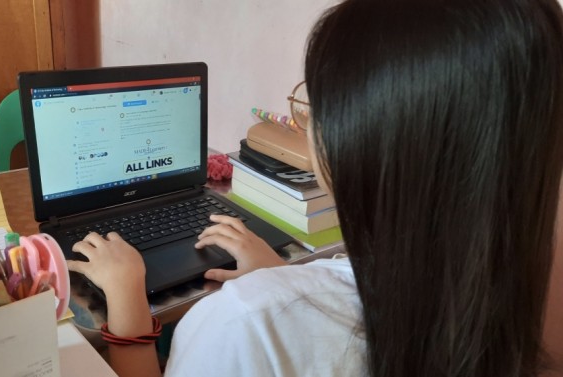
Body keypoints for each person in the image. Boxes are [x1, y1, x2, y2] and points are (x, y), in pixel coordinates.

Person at [66, 0, 563, 375]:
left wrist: (128, 298)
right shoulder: (528, 305)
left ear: (361, 145)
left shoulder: (243, 324)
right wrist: (284, 276)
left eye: (315, 104)